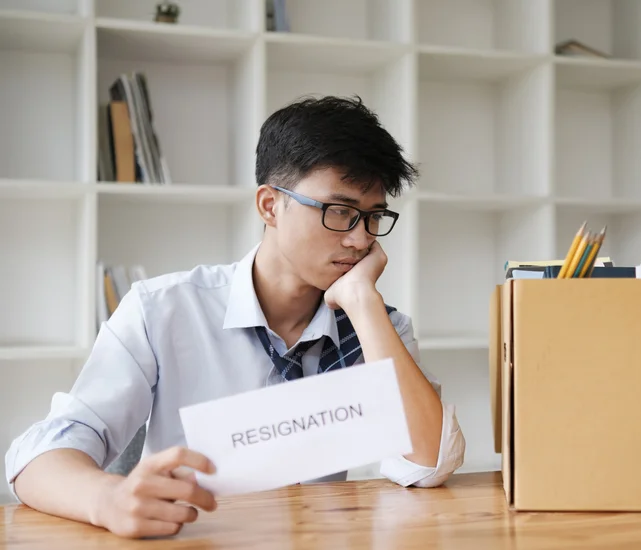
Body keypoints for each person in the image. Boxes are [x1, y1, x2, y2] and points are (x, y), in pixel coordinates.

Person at [5, 96, 466, 538]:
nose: (360, 240)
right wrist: (108, 498)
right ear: (270, 205)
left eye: (373, 217)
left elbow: (428, 463)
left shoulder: (377, 327)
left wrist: (363, 303)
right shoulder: (162, 311)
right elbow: (40, 454)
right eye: (340, 212)